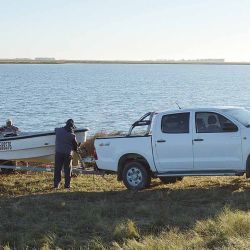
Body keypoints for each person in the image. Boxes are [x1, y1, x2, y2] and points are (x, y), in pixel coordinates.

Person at [54, 119, 78, 189]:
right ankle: (67, 186)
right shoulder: (72, 135)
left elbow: (55, 129)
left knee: (57, 169)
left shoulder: (58, 130)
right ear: (72, 127)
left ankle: (56, 185)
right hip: (68, 154)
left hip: (58, 153)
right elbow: (75, 147)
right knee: (67, 170)